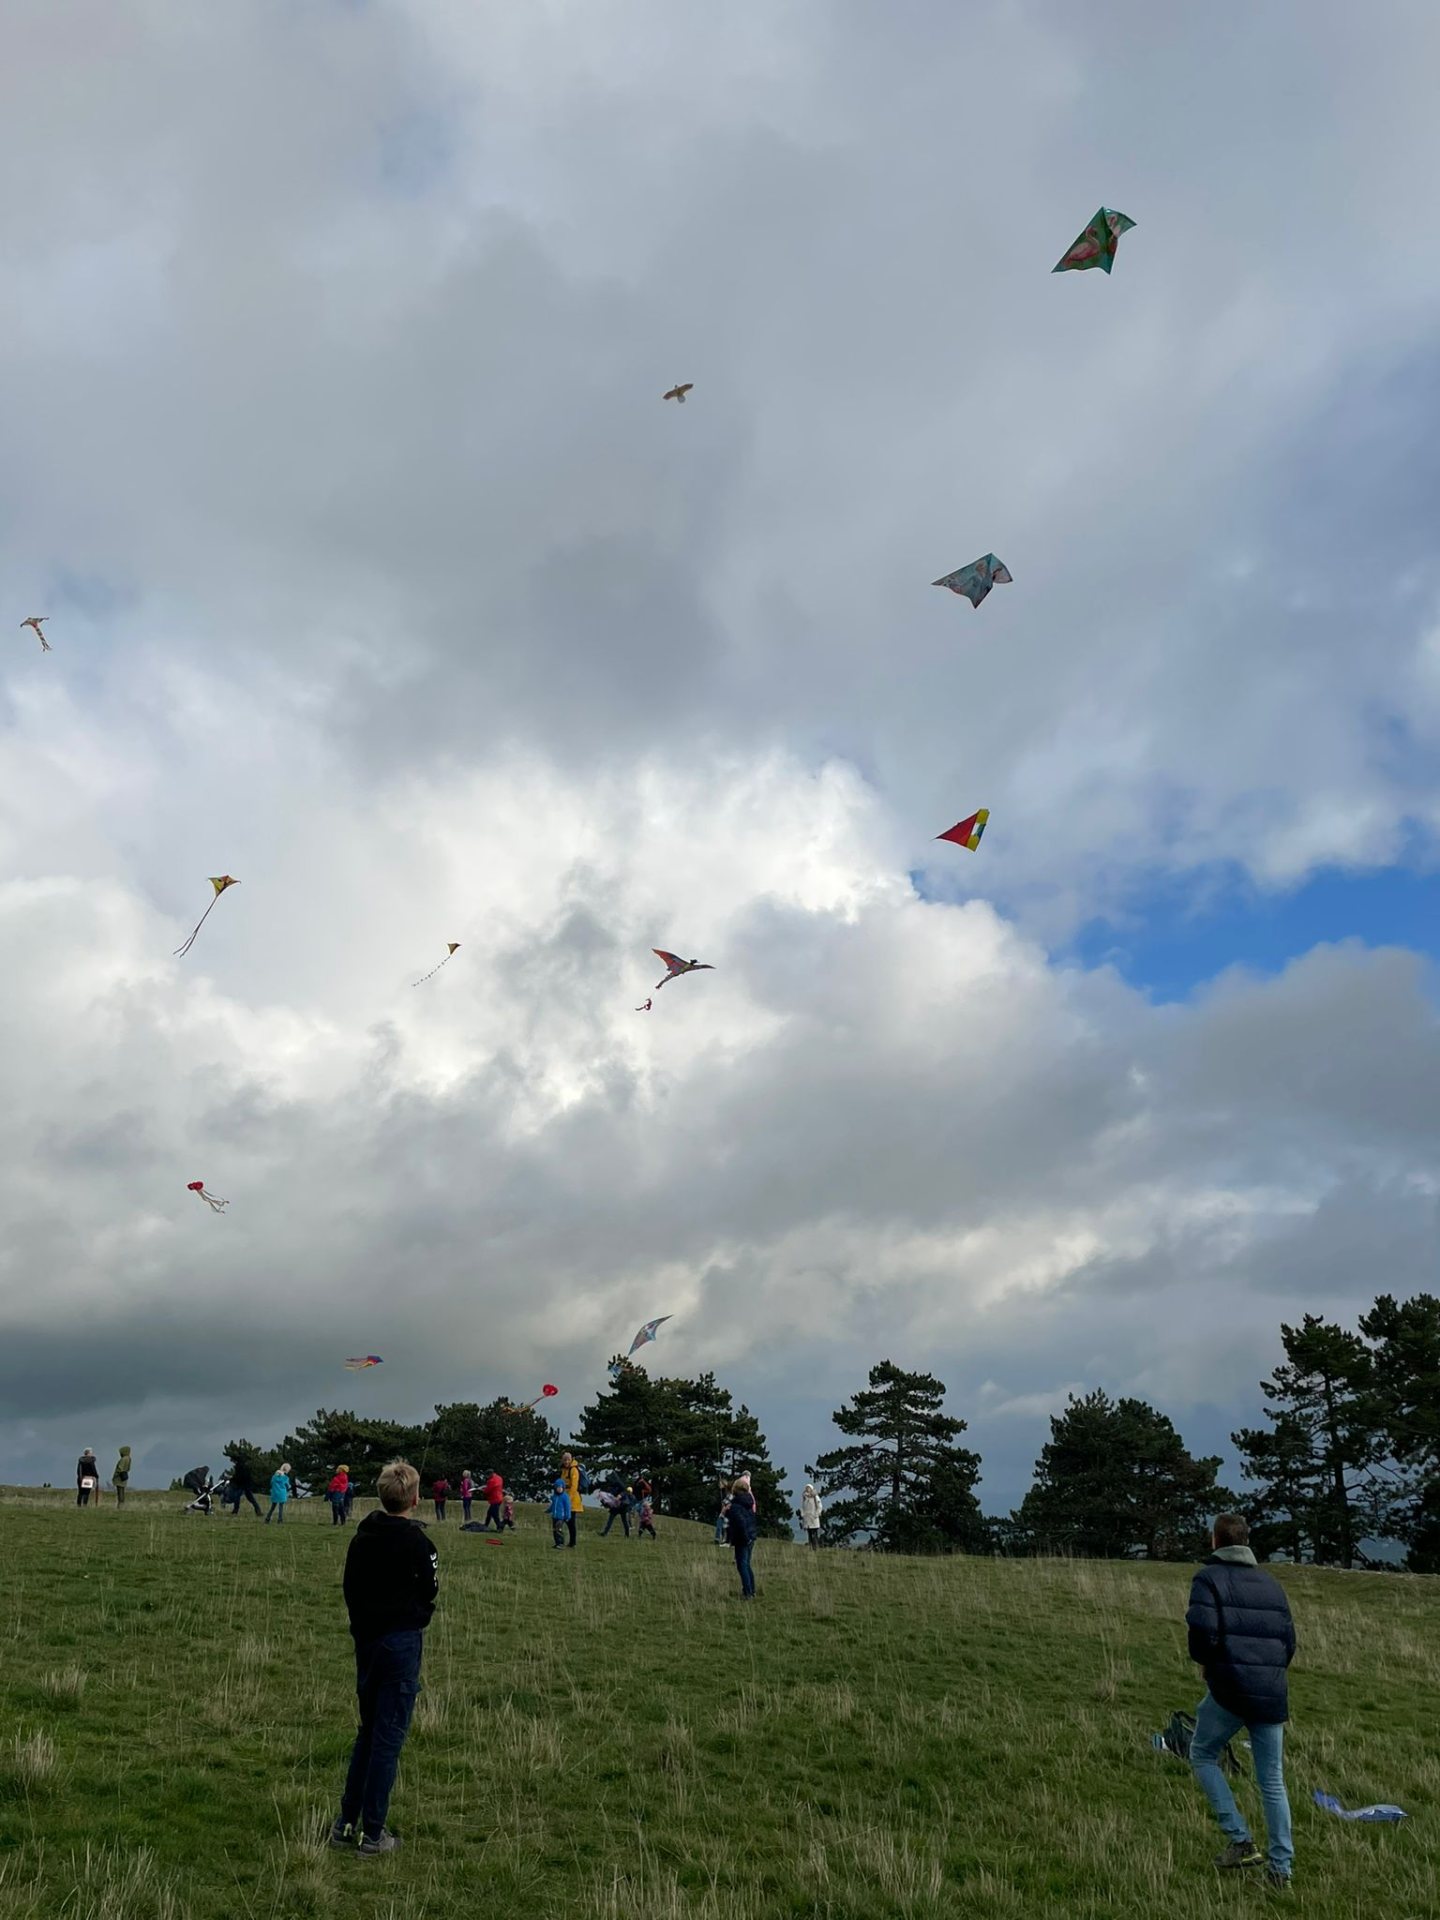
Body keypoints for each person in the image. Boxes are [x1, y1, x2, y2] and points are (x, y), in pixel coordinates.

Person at [330, 1458, 439, 1857]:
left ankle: (345, 1824)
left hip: (367, 1643)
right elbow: (430, 1589)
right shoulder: (419, 1543)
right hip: (400, 1645)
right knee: (387, 1740)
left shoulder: (361, 1539)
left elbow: (350, 1589)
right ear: (415, 1499)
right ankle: (374, 1834)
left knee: (368, 1732)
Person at [1186, 1513, 1297, 1889]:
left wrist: (1207, 1664)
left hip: (1230, 1688)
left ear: (1215, 1541)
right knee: (1273, 1780)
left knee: (1202, 1753)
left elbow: (1202, 1630)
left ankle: (1240, 1838)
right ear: (1246, 1541)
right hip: (1271, 1691)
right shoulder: (1271, 1583)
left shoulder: (1208, 1579)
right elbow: (1288, 1641)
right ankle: (1280, 1870)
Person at [727, 1471, 758, 1599]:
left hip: (743, 1539)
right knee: (747, 1564)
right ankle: (752, 1590)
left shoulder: (736, 1506)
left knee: (742, 1565)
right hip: (751, 1537)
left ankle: (747, 1592)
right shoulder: (748, 1502)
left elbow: (740, 1523)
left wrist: (744, 1539)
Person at [558, 1451, 582, 1548]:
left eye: (568, 1460)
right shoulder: (564, 1470)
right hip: (564, 1497)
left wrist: (568, 1499)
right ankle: (569, 1542)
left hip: (572, 1501)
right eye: (565, 1460)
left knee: (570, 1522)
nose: (566, 1462)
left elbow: (574, 1486)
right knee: (567, 1522)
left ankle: (571, 1542)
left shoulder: (573, 1470)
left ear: (571, 1459)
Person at [549, 1476, 571, 1549]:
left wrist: (568, 1516)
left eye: (560, 1487)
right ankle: (557, 1543)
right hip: (554, 1516)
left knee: (558, 1529)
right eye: (558, 1488)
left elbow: (567, 1507)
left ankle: (561, 1543)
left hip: (561, 1517)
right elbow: (553, 1505)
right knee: (554, 1530)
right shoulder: (554, 1497)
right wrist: (548, 1510)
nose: (559, 1489)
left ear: (563, 1488)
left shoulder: (565, 1497)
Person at [800, 1483, 823, 1547]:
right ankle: (811, 1546)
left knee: (814, 1534)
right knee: (809, 1534)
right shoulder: (805, 1497)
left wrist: (816, 1514)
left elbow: (819, 1506)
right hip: (807, 1519)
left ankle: (815, 1547)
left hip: (814, 1519)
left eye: (809, 1488)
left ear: (811, 1489)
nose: (807, 1489)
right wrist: (802, 1514)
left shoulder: (815, 1497)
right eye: (806, 1488)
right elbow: (803, 1507)